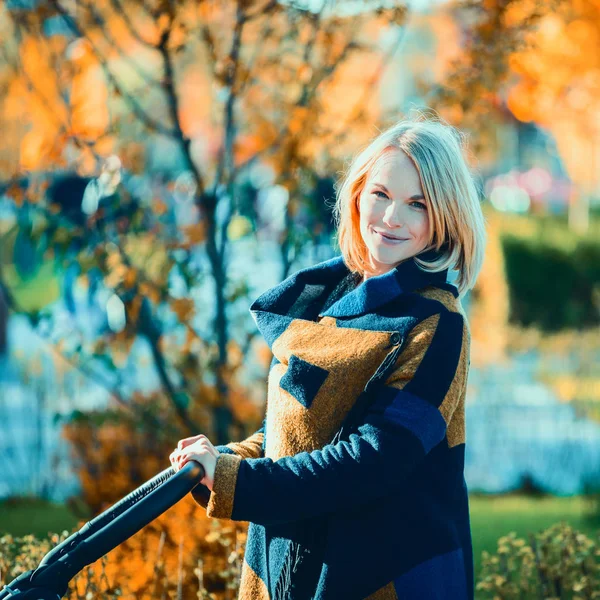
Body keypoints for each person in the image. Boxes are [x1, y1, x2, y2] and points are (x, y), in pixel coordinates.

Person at [169, 115, 486, 600]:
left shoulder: (437, 325)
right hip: (284, 559)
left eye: (416, 204)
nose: (390, 217)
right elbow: (304, 430)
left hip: (382, 574)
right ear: (358, 193)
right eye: (380, 194)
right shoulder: (326, 299)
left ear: (445, 217)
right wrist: (221, 462)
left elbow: (374, 460)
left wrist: (240, 480)